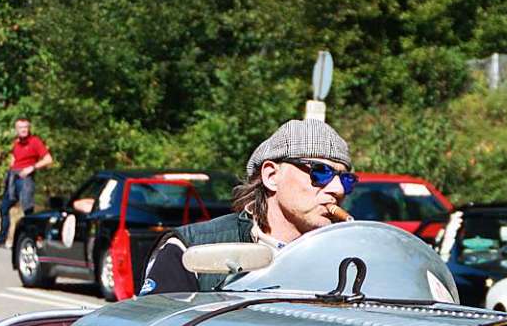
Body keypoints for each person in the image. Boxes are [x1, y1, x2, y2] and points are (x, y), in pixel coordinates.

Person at [140, 118, 357, 295]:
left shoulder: (348, 258)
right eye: (320, 172)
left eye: (346, 179)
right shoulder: (192, 249)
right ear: (271, 176)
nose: (337, 189)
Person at [0, 118, 53, 248]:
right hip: (14, 177)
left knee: (27, 210)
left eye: (25, 127)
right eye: (20, 127)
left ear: (29, 128)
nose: (23, 130)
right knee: (4, 207)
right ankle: (2, 239)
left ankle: (30, 240)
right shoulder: (16, 142)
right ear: (16, 129)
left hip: (25, 178)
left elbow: (48, 159)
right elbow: (14, 157)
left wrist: (32, 168)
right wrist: (10, 169)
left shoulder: (35, 141)